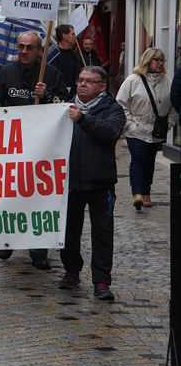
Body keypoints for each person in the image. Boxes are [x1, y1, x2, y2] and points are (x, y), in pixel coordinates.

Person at [0, 30, 70, 269]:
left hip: (42, 146)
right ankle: (7, 240)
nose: (24, 51)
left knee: (38, 196)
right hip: (11, 146)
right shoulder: (6, 72)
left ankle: (38, 249)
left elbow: (65, 105)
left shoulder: (51, 74)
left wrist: (47, 95)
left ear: (39, 50)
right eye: (21, 47)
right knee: (9, 195)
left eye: (29, 47)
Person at [58, 66, 125, 301]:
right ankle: (71, 270)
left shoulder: (113, 109)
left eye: (89, 81)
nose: (82, 84)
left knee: (102, 233)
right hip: (71, 181)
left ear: (102, 86)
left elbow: (110, 133)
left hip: (100, 182)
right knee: (69, 230)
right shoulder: (64, 107)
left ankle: (102, 281)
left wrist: (83, 119)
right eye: (80, 80)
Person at [116, 48, 178, 210]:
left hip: (156, 131)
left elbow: (173, 106)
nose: (160, 63)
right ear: (147, 61)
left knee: (149, 162)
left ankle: (146, 193)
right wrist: (129, 124)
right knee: (138, 159)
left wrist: (169, 124)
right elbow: (121, 104)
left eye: (162, 60)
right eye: (156, 60)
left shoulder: (167, 82)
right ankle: (137, 193)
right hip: (136, 129)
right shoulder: (132, 80)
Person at [50, 24, 79, 95]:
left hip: (72, 94)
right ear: (64, 36)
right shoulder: (53, 55)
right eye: (72, 34)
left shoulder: (75, 55)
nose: (75, 37)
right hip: (57, 93)